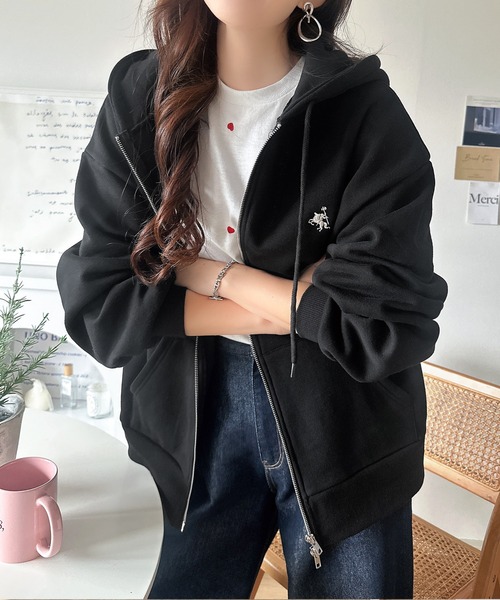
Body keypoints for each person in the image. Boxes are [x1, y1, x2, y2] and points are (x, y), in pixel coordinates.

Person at [56, 0, 448, 597]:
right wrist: (296, 299)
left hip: (343, 425)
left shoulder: (366, 114)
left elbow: (382, 322)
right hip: (187, 418)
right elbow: (100, 294)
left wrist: (209, 274)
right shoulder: (140, 97)